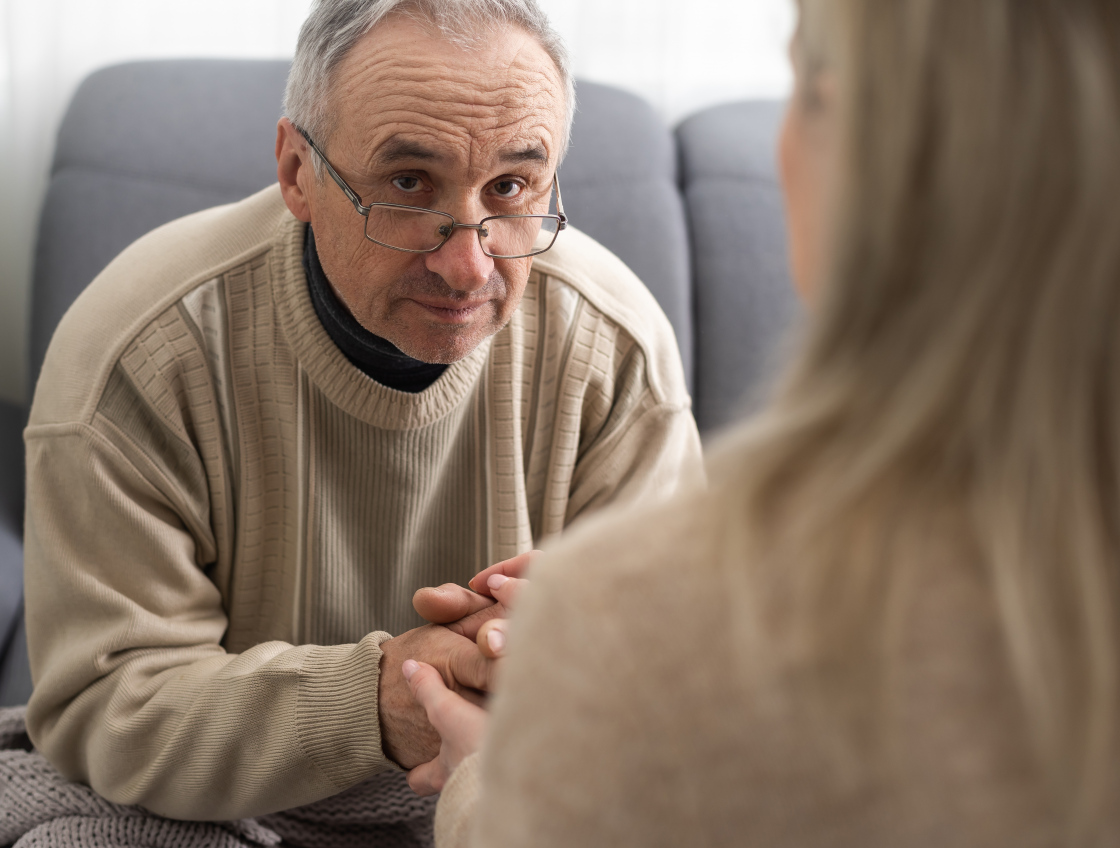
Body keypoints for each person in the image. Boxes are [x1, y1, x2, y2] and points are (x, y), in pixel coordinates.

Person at [406, 0, 1120, 845]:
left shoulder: (635, 625)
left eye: (803, 90)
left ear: (866, 154)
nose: (467, 263)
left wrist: (490, 779)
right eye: (410, 183)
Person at [21, 0, 700, 843]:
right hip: (235, 814)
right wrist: (385, 699)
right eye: (408, 184)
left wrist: (570, 659)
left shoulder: (616, 348)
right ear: (297, 172)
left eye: (511, 187)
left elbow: (683, 677)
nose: (468, 266)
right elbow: (103, 707)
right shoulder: (141, 350)